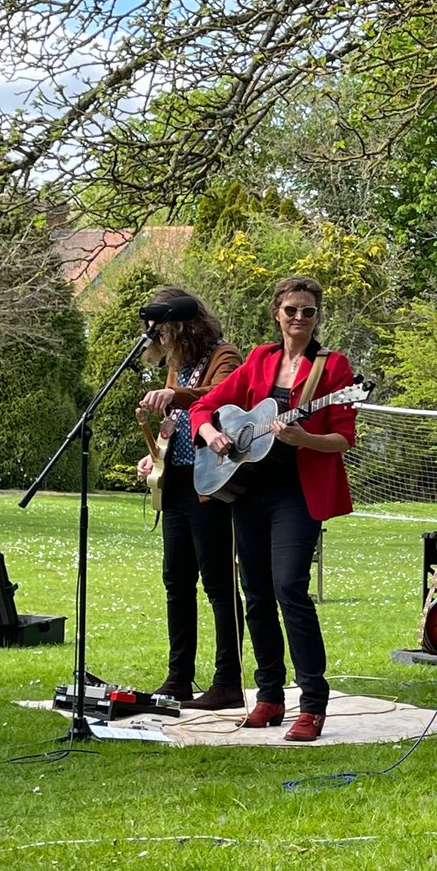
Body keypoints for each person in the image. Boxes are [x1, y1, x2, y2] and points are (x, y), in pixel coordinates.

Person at [190, 276, 357, 742]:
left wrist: (304, 438)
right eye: (291, 311)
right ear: (276, 314)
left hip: (299, 495)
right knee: (257, 593)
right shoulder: (259, 359)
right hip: (248, 492)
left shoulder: (333, 369)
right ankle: (268, 696)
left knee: (290, 588)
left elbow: (344, 436)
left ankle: (313, 702)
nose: (299, 319)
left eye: (308, 311)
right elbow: (204, 407)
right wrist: (212, 435)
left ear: (317, 317)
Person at [137, 287, 244, 710]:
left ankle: (228, 682)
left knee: (218, 584)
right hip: (177, 483)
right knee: (177, 583)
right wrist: (153, 455)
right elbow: (176, 422)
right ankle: (178, 677)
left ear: (181, 325)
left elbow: (225, 400)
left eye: (161, 329)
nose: (157, 338)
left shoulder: (224, 356)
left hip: (211, 485)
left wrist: (176, 396)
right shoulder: (177, 363)